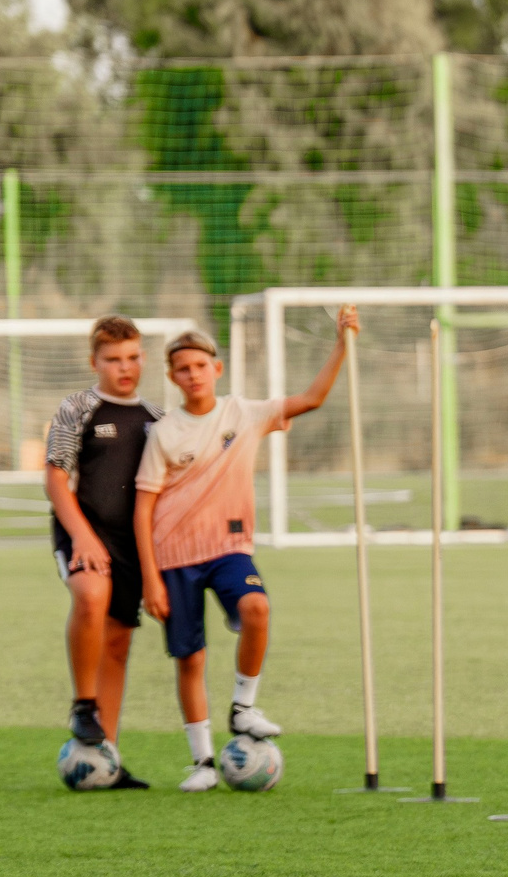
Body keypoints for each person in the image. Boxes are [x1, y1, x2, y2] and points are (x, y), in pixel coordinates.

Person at [134, 311, 359, 792]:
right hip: (174, 555)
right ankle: (202, 764)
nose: (192, 374)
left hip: (229, 548)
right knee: (190, 660)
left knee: (257, 607)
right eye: (182, 369)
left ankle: (243, 708)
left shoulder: (244, 413)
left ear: (216, 369)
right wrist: (150, 578)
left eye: (200, 365)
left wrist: (343, 343)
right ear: (172, 378)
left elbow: (313, 398)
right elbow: (143, 507)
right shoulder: (164, 433)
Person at [46, 317, 159, 782]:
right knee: (90, 595)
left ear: (142, 359)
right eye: (113, 360)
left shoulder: (156, 419)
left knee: (117, 645)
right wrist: (84, 536)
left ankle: (106, 760)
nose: (123, 368)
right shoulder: (77, 408)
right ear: (94, 362)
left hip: (132, 546)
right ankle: (83, 705)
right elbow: (55, 480)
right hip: (82, 533)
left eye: (132, 358)